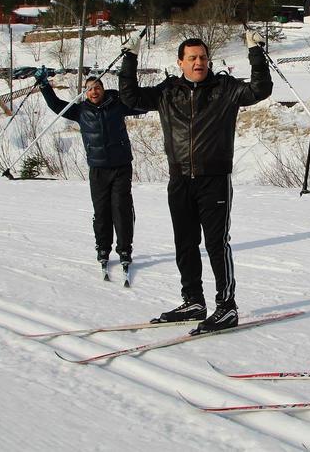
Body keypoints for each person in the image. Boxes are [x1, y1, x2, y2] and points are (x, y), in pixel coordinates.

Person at [118, 30, 272, 333]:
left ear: (208, 60)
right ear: (181, 63)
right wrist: (130, 57)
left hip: (213, 179)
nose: (198, 62)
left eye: (202, 57)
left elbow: (260, 89)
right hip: (179, 180)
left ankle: (227, 307)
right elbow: (130, 97)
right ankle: (193, 302)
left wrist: (255, 51)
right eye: (192, 58)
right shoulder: (167, 92)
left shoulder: (225, 88)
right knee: (184, 244)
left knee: (216, 244)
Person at [34, 69, 143, 274]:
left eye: (97, 88)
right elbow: (56, 105)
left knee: (122, 210)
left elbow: (140, 105)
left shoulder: (117, 105)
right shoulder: (80, 111)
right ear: (85, 93)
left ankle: (125, 250)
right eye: (89, 89)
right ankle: (103, 248)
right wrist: (44, 85)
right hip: (98, 169)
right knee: (101, 212)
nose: (94, 92)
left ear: (103, 89)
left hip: (121, 167)